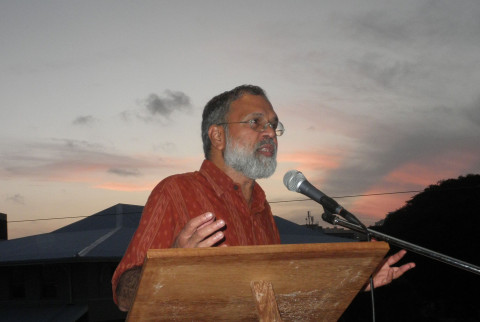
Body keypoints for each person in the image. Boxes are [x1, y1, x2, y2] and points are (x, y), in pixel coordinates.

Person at [111, 84, 415, 311]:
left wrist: (356, 283)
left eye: (273, 124)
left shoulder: (261, 206)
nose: (269, 132)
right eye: (255, 122)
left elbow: (274, 297)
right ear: (218, 136)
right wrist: (172, 264)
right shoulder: (176, 191)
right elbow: (124, 296)